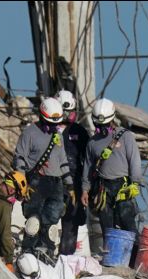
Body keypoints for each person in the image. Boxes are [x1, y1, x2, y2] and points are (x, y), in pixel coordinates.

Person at [13, 97, 73, 255]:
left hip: (56, 183)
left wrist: (70, 185)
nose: (54, 127)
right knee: (33, 222)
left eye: (57, 124)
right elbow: (19, 157)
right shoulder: (30, 133)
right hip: (36, 182)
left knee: (52, 225)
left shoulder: (58, 136)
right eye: (51, 123)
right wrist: (21, 182)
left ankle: (47, 253)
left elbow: (63, 161)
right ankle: (28, 252)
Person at [81, 98, 143, 244]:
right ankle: (112, 257)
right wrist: (85, 190)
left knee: (127, 221)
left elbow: (134, 160)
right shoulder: (92, 143)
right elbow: (88, 167)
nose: (102, 127)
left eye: (105, 124)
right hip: (103, 189)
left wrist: (135, 183)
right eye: (98, 124)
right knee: (106, 225)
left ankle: (135, 257)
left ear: (112, 119)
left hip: (123, 186)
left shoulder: (126, 136)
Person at [55, 90, 90, 255]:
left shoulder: (80, 132)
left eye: (70, 111)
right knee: (48, 218)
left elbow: (88, 160)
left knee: (71, 221)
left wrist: (86, 187)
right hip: (52, 180)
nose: (68, 115)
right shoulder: (47, 129)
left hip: (74, 183)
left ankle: (66, 257)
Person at [0, 171, 30, 271]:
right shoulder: (4, 205)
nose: (14, 201)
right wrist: (9, 260)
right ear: (11, 190)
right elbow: (5, 234)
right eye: (16, 196)